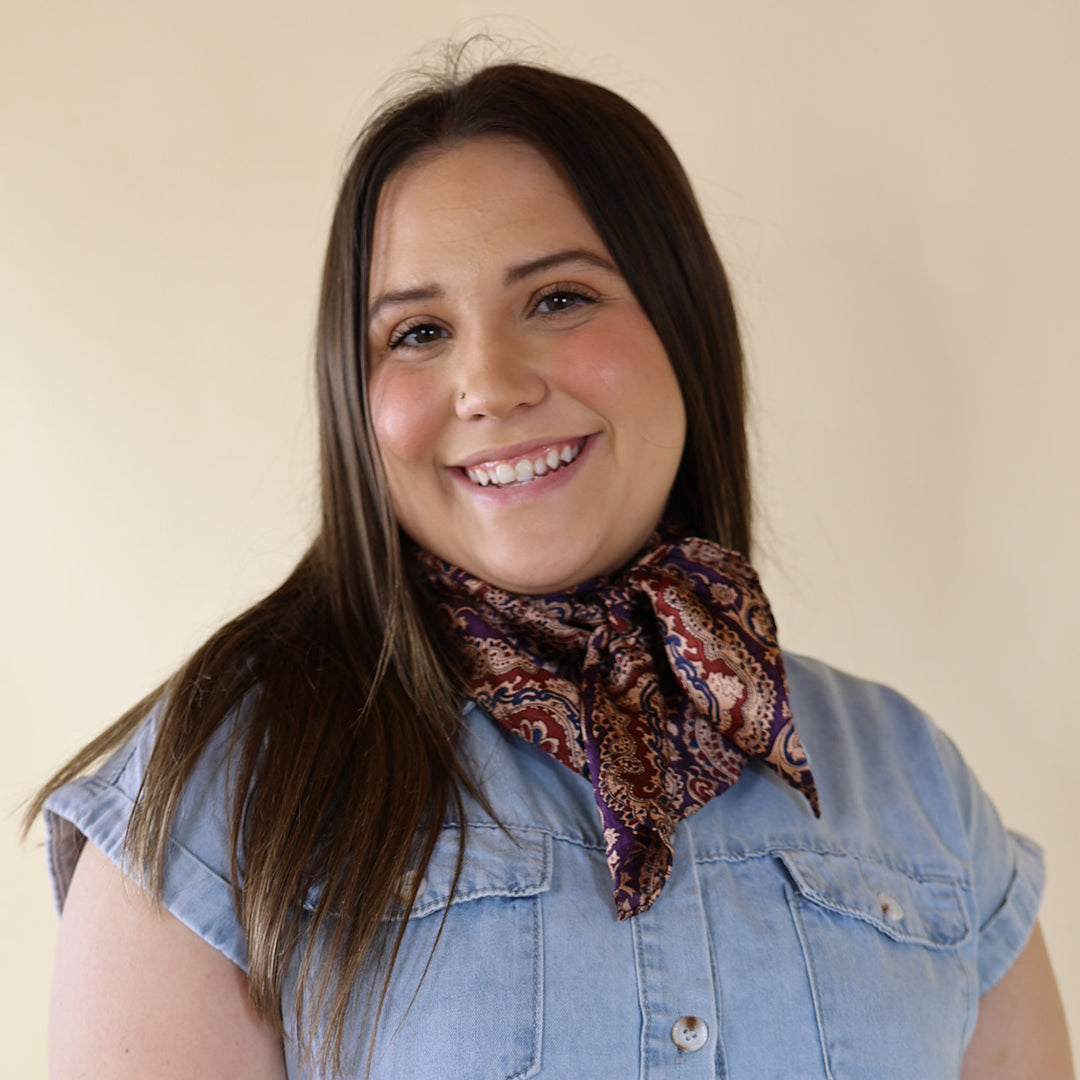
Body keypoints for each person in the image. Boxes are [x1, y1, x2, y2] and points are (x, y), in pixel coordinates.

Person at [28, 58, 1072, 1079]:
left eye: (560, 299)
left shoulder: (916, 790)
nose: (487, 382)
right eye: (419, 331)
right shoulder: (225, 795)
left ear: (681, 322)